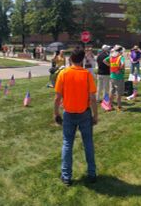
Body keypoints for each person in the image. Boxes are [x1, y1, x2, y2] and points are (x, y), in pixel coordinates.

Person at [53, 50, 99, 186]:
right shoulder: (87, 75)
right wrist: (95, 115)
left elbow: (57, 98)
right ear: (82, 60)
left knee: (67, 144)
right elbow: (92, 98)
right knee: (88, 143)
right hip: (84, 113)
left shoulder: (64, 73)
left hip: (69, 113)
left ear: (71, 59)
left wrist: (56, 113)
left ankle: (66, 176)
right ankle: (92, 174)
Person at [107, 46, 126, 111]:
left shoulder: (111, 56)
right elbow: (123, 64)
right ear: (121, 51)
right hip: (119, 77)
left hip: (112, 76)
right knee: (118, 92)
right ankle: (119, 106)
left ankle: (110, 105)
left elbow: (104, 61)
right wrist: (119, 69)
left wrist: (111, 66)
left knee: (111, 91)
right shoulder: (121, 57)